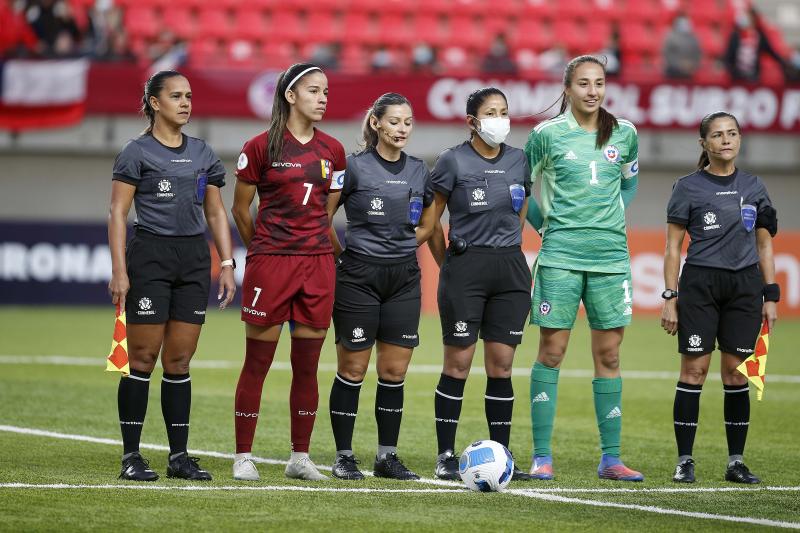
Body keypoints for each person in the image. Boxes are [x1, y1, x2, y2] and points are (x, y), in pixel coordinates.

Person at [108, 70, 236, 481]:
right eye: (176, 96)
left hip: (193, 257)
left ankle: (179, 457)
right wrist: (120, 271)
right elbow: (117, 213)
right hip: (150, 256)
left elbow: (216, 211)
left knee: (179, 360)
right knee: (143, 358)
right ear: (154, 103)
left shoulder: (203, 153)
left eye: (189, 96)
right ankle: (131, 457)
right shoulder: (135, 152)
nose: (185, 103)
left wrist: (228, 262)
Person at [525, 55, 643, 482]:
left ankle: (611, 458)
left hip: (610, 258)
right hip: (560, 257)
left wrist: (609, 219)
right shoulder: (546, 135)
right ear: (567, 89)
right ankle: (542, 456)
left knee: (609, 354)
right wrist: (547, 229)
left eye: (599, 83)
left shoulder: (625, 134)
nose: (592, 91)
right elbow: (524, 191)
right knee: (551, 353)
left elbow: (629, 182)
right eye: (583, 84)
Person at [230, 63, 345, 482]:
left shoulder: (334, 150)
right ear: (290, 96)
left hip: (316, 265)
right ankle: (243, 455)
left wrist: (317, 246)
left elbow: (327, 212)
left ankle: (300, 457)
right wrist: (261, 250)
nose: (322, 97)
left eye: (326, 91)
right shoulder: (260, 146)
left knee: (308, 366)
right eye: (314, 90)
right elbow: (240, 209)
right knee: (256, 363)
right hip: (271, 264)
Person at [661, 111, 778, 484]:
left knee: (735, 375)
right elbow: (672, 247)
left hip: (745, 288)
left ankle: (736, 462)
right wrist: (669, 296)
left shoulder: (755, 187)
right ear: (704, 144)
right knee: (693, 372)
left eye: (732, 134)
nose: (726, 140)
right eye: (717, 135)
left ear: (740, 139)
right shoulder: (687, 187)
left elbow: (764, 246)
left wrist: (770, 295)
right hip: (700, 286)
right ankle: (684, 460)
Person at [327, 93, 438, 481]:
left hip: (403, 277)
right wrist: (343, 256)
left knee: (394, 371)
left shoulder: (420, 170)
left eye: (407, 122)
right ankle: (343, 456)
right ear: (376, 123)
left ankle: (386, 457)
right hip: (358, 277)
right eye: (394, 121)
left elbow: (429, 223)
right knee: (353, 368)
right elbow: (323, 218)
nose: (402, 129)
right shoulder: (351, 167)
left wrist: (408, 245)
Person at [428, 87, 533, 482]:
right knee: (458, 365)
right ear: (472, 121)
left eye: (504, 111)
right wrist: (450, 265)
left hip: (509, 270)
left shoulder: (519, 160)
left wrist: (505, 245)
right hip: (464, 270)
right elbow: (432, 222)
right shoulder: (451, 161)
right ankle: (445, 455)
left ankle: (504, 455)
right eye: (491, 112)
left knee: (501, 366)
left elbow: (521, 207)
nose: (499, 119)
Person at [723, 7, 788, 82]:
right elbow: (728, 56)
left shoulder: (759, 37)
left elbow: (771, 52)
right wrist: (732, 71)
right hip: (737, 79)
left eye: (746, 17)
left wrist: (784, 63)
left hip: (753, 78)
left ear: (753, 19)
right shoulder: (735, 36)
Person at [662, 13, 701, 79]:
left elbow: (698, 54)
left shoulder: (694, 38)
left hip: (690, 71)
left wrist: (691, 65)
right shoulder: (670, 37)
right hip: (673, 72)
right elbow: (667, 55)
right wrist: (680, 65)